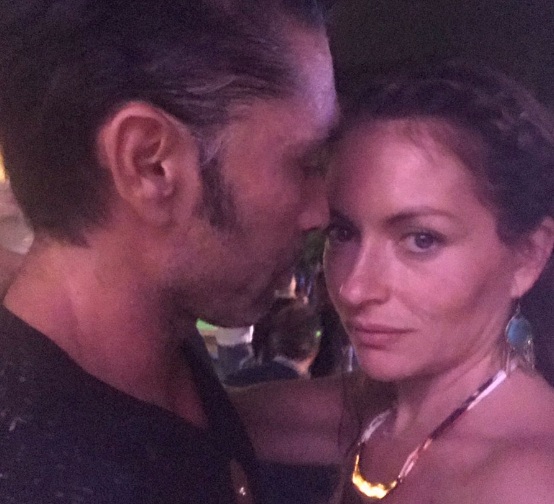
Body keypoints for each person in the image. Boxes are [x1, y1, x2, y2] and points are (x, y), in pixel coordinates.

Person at [0, 1, 337, 502]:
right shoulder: (46, 479)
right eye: (304, 163)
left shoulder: (150, 341)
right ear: (149, 164)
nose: (321, 212)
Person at [233, 60, 554, 504]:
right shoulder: (381, 410)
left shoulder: (529, 480)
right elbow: (188, 413)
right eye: (343, 232)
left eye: (422, 240)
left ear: (527, 256)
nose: (354, 288)